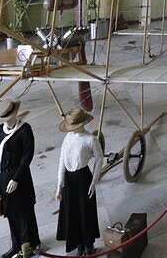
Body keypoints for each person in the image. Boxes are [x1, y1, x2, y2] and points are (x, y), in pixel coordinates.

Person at [0, 99, 39, 258]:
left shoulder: (25, 130)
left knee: (25, 212)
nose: (7, 122)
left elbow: (27, 156)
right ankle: (16, 245)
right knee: (10, 213)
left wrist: (16, 178)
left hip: (20, 179)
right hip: (2, 179)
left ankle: (31, 243)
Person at [56, 108, 101, 256]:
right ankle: (78, 244)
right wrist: (59, 184)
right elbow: (62, 159)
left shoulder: (90, 139)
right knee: (72, 212)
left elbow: (99, 158)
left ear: (83, 124)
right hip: (69, 180)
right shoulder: (68, 137)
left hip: (83, 179)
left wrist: (94, 181)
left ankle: (89, 244)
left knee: (85, 211)